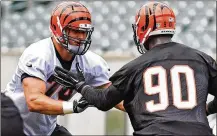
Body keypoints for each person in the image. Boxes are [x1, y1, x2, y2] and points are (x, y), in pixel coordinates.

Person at [53, 1, 217, 135]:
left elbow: (103, 101)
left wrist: (80, 85)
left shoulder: (135, 66)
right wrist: (208, 109)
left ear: (143, 28)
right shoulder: (201, 59)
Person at [2, 1, 124, 135]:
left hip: (45, 127)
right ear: (58, 28)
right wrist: (73, 107)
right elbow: (34, 101)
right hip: (11, 115)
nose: (81, 37)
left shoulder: (92, 63)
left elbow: (114, 97)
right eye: (75, 31)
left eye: (84, 32)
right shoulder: (39, 54)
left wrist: (144, 108)